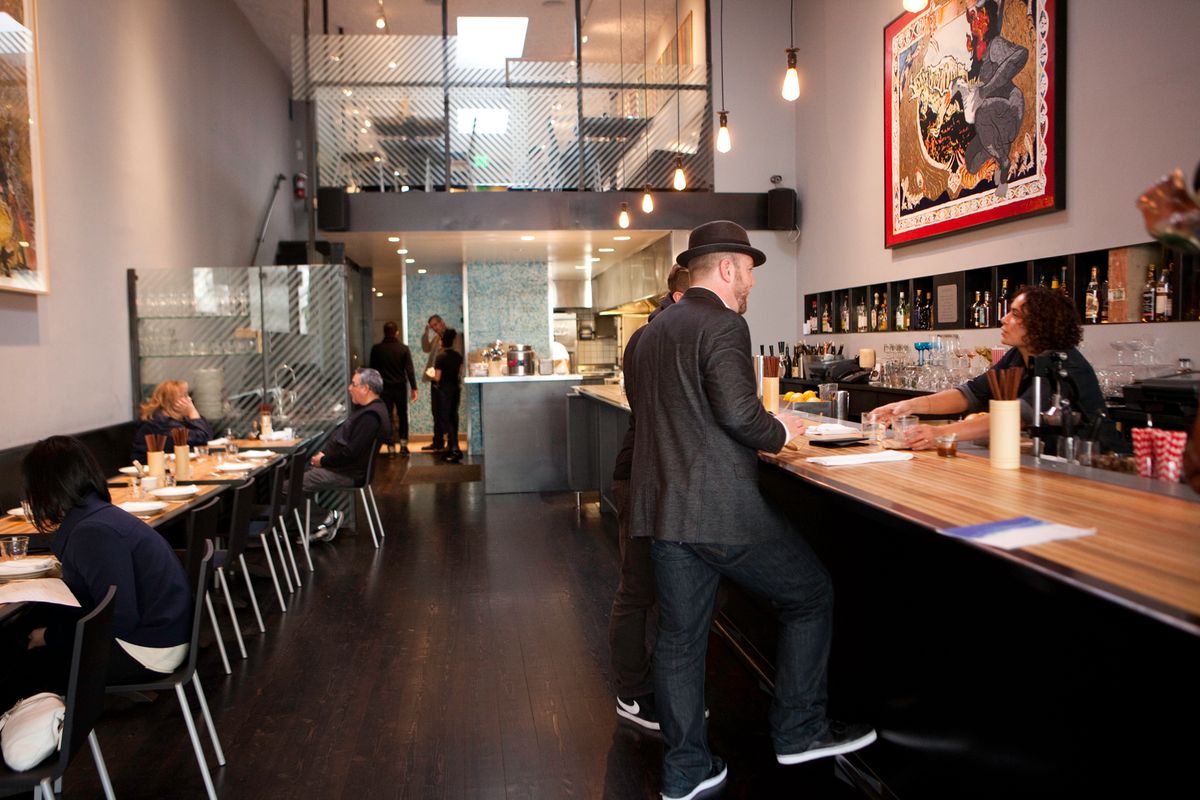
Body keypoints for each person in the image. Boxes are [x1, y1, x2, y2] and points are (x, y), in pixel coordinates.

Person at [626, 221, 876, 800]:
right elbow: (740, 415)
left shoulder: (650, 332)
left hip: (663, 507)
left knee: (680, 639)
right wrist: (781, 430)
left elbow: (659, 411)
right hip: (720, 510)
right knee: (810, 594)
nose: (752, 284)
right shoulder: (723, 324)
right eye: (751, 271)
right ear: (729, 268)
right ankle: (800, 729)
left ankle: (686, 770)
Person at [3, 436, 193, 708]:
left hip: (148, 648)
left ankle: (43, 739)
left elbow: (119, 618)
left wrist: (48, 636)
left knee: (20, 666)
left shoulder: (92, 532)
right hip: (163, 632)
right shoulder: (99, 515)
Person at [873, 284, 1122, 453]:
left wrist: (941, 433)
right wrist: (909, 406)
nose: (1004, 319)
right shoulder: (1017, 356)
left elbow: (1014, 417)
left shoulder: (1064, 364)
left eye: (1014, 314)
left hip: (1098, 465)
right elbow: (971, 393)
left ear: (1039, 323)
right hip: (1052, 460)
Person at [609, 263, 690, 731]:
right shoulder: (656, 337)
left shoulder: (652, 333)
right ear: (682, 296)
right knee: (637, 588)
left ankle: (654, 685)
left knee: (650, 589)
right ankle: (632, 693)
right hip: (641, 476)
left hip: (649, 475)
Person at [304, 367, 391, 542]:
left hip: (349, 473)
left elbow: (350, 453)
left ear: (365, 388)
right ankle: (311, 524)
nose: (349, 388)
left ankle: (325, 519)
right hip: (349, 469)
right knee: (293, 477)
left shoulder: (370, 417)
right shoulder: (374, 409)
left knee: (286, 488)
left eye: (353, 384)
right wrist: (324, 456)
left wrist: (324, 461)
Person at [130, 379, 215, 462]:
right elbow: (203, 440)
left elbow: (207, 435)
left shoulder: (179, 419)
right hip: (149, 470)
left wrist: (193, 415)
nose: (189, 399)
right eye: (184, 396)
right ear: (171, 401)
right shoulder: (161, 422)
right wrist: (192, 412)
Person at [369, 321, 418, 456]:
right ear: (397, 332)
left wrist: (373, 388)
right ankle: (403, 445)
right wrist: (414, 387)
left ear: (384, 332)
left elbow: (373, 370)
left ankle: (390, 446)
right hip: (400, 387)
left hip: (384, 389)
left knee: (387, 416)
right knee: (402, 415)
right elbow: (409, 370)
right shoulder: (403, 349)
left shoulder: (376, 349)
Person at [420, 314, 463, 452]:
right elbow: (426, 349)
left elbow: (457, 357)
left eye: (435, 325)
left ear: (442, 322)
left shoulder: (453, 336)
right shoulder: (437, 338)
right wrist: (425, 334)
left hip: (447, 381)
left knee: (449, 413)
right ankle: (438, 441)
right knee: (436, 412)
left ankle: (451, 443)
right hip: (435, 379)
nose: (435, 328)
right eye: (432, 327)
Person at [432, 328, 464, 463]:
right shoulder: (458, 357)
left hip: (444, 391)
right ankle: (453, 447)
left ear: (442, 342)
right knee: (453, 416)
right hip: (455, 389)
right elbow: (459, 374)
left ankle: (454, 449)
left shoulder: (441, 357)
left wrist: (431, 376)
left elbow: (437, 377)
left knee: (446, 419)